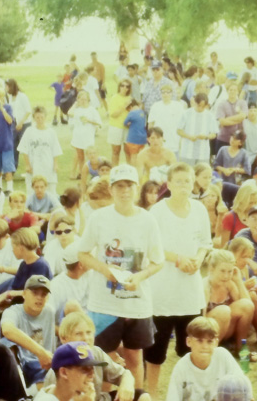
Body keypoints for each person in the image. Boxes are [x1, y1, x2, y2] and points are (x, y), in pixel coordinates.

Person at [77, 163, 165, 386]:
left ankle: (136, 396)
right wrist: (105, 270)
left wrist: (140, 277)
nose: (125, 191)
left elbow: (158, 261)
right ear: (111, 189)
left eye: (129, 185)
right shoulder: (99, 218)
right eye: (119, 186)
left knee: (135, 357)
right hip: (104, 305)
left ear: (137, 188)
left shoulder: (148, 220)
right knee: (102, 359)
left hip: (137, 304)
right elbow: (82, 254)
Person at [145, 163, 213, 395]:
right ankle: (151, 395)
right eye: (179, 181)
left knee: (190, 349)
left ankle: (190, 395)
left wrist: (198, 259)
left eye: (188, 180)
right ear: (170, 184)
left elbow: (205, 243)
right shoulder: (157, 212)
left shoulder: (199, 210)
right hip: (162, 294)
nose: (184, 185)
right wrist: (178, 259)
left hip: (190, 293)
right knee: (155, 353)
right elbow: (152, 247)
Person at [165, 317, 245, 401]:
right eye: (199, 341)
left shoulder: (223, 356)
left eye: (210, 341)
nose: (205, 346)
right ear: (189, 341)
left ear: (216, 342)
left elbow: (241, 386)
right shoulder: (181, 367)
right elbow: (173, 398)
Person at [1, 274, 58, 385]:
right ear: (24, 294)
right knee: (6, 344)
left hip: (42, 365)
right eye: (35, 293)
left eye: (44, 294)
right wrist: (40, 352)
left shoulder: (49, 312)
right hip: (19, 364)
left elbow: (50, 346)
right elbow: (7, 330)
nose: (39, 298)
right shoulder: (12, 311)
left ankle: (30, 391)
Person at [34, 341, 108, 401]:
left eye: (92, 368)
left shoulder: (76, 396)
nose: (92, 375)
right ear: (64, 373)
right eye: (85, 369)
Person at [20, 105, 64, 197]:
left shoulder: (51, 132)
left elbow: (55, 149)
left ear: (45, 117)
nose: (40, 119)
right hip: (34, 165)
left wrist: (55, 164)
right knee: (32, 190)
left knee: (51, 191)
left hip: (48, 164)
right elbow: (24, 149)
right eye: (37, 117)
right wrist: (27, 165)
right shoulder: (29, 131)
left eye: (42, 117)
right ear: (34, 118)